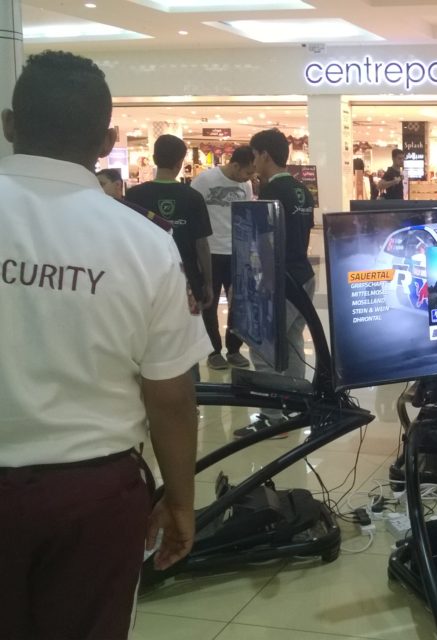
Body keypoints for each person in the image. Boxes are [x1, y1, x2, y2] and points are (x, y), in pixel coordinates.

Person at [0, 50, 207, 639]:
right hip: (91, 496)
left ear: (10, 125)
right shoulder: (144, 243)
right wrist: (180, 500)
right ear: (107, 140)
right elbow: (170, 396)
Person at [233, 128, 316, 439]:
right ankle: (296, 407)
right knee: (293, 343)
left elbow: (266, 244)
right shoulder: (301, 189)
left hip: (281, 280)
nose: (253, 161)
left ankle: (271, 418)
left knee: (263, 348)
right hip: (304, 276)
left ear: (265, 155)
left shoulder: (272, 192)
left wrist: (260, 284)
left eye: (254, 155)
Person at [127, 134, 214, 348]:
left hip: (143, 277)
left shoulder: (134, 195)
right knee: (186, 340)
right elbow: (202, 245)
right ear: (180, 162)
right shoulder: (192, 197)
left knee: (146, 336)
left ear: (154, 158)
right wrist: (209, 283)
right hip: (187, 280)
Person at [189, 147, 256, 371]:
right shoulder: (204, 181)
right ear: (235, 165)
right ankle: (214, 351)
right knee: (209, 303)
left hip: (237, 252)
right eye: (247, 172)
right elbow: (193, 214)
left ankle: (234, 349)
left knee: (239, 303)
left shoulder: (246, 185)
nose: (250, 178)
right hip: (210, 252)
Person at [96, 167, 174, 232]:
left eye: (101, 184)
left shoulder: (134, 207)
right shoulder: (97, 210)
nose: (97, 188)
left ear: (117, 185)